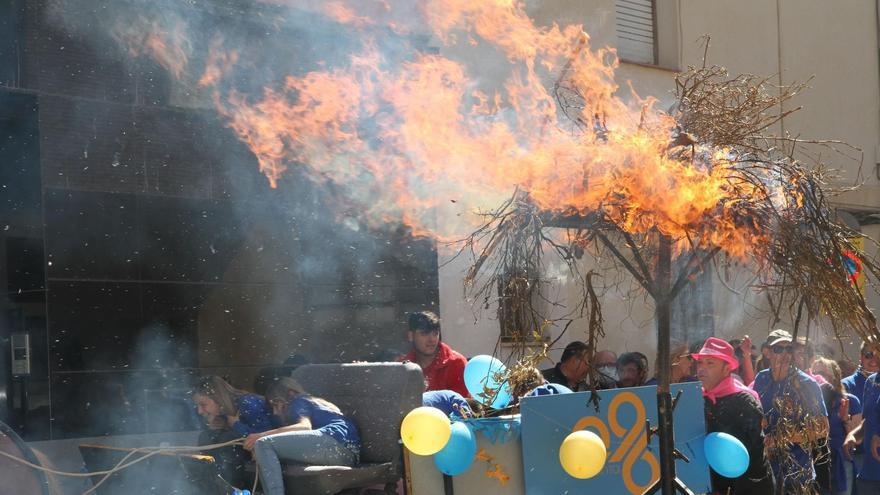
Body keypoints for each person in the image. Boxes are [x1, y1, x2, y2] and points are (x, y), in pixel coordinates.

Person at [245, 378, 361, 495]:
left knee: (262, 443)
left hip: (332, 443)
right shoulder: (314, 402)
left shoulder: (298, 401)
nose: (275, 412)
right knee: (265, 448)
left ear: (290, 393)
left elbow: (304, 427)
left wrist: (260, 436)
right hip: (347, 455)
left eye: (276, 403)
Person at [751, 330, 829, 493]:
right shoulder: (761, 379)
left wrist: (783, 437)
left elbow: (823, 429)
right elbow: (758, 415)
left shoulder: (807, 383)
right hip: (766, 474)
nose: (785, 354)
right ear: (767, 352)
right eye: (779, 349)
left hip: (798, 476)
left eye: (789, 349)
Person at [692, 337, 774, 494]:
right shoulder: (696, 399)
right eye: (700, 362)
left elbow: (749, 456)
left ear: (726, 368)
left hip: (750, 488)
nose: (701, 368)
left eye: (710, 363)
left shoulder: (744, 401)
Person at [192, 376, 275, 488]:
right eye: (197, 406)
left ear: (218, 398)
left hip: (272, 453)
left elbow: (267, 438)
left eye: (203, 405)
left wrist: (236, 425)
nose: (200, 411)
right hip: (248, 453)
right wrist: (218, 426)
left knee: (227, 439)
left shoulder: (248, 402)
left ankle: (232, 488)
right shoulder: (222, 411)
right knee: (206, 436)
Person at [812, 357, 862, 495]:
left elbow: (858, 439)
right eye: (814, 373)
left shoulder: (850, 400)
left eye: (821, 374)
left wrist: (845, 419)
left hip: (841, 462)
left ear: (834, 378)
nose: (816, 377)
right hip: (817, 463)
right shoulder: (808, 404)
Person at [402, 311, 469, 397]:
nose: (432, 339)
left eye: (435, 333)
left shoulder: (456, 363)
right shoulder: (403, 366)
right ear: (411, 336)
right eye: (424, 333)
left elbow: (461, 406)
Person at [842, 341, 879, 491]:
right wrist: (853, 435)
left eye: (878, 353)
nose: (874, 359)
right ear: (861, 357)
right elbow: (867, 421)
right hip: (868, 474)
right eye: (869, 355)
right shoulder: (871, 382)